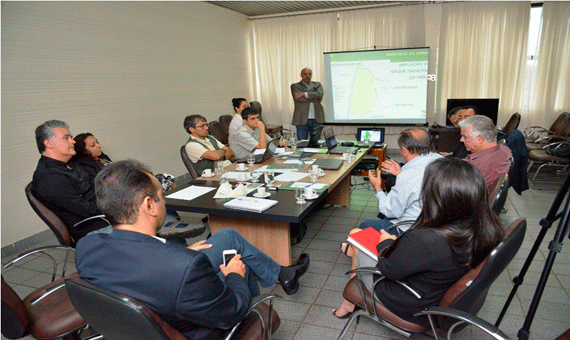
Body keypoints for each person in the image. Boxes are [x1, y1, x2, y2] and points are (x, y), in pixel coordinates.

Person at [75, 160, 310, 340]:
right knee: (240, 265)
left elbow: (141, 256)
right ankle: (259, 308)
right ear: (149, 205)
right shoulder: (185, 268)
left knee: (227, 236)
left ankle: (283, 274)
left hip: (157, 294)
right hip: (197, 326)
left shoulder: (86, 245)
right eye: (160, 196)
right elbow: (230, 311)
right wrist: (234, 276)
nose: (163, 201)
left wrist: (176, 251)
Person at [333, 158, 504, 328]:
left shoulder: (426, 239)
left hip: (409, 302)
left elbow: (388, 270)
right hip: (435, 289)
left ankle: (349, 301)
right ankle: (348, 300)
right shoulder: (489, 228)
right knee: (358, 238)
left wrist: (386, 244)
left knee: (357, 240)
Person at [356, 128, 442, 237]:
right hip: (437, 223)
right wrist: (401, 173)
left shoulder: (407, 176)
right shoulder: (440, 159)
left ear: (404, 150)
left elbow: (390, 210)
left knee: (366, 225)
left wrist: (377, 188)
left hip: (412, 229)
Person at [31, 120, 109, 240]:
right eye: (66, 138)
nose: (73, 141)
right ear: (49, 144)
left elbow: (92, 188)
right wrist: (119, 205)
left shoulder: (68, 165)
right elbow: (86, 210)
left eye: (71, 137)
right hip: (95, 228)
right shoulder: (49, 178)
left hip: (103, 214)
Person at [459, 115, 512, 193]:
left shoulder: (476, 167)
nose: (461, 140)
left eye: (465, 137)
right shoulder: (502, 148)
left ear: (480, 139)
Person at [291, 67, 324, 140]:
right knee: (302, 144)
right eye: (305, 74)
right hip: (301, 119)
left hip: (317, 119)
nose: (307, 76)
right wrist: (316, 98)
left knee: (315, 144)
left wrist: (304, 94)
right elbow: (300, 99)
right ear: (301, 75)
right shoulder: (295, 86)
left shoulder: (317, 84)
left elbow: (320, 94)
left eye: (309, 74)